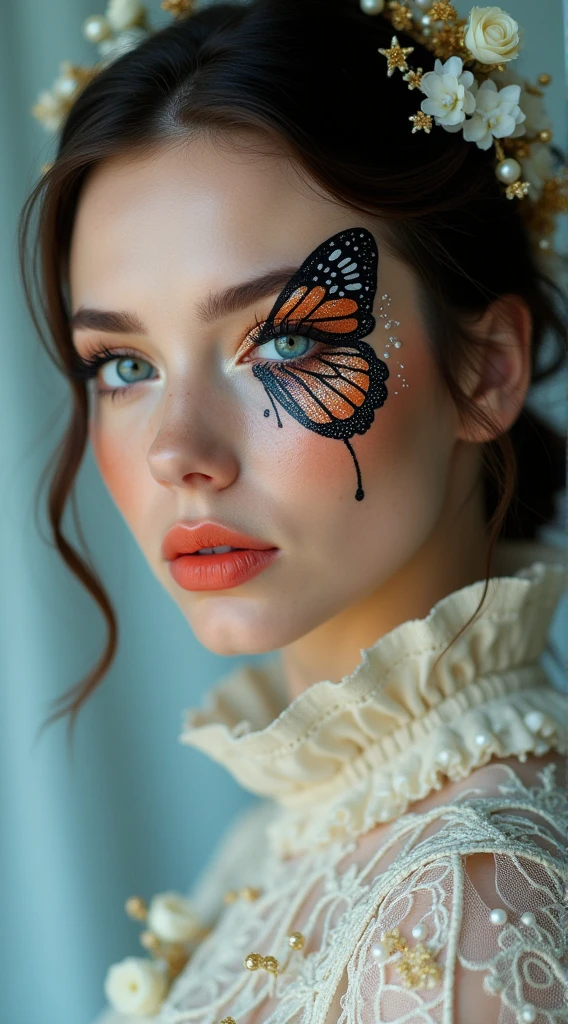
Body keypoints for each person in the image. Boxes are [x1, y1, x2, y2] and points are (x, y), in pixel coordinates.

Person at [20, 1, 567, 1021]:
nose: (179, 452)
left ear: (485, 373)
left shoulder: (465, 908)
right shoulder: (295, 827)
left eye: (280, 341)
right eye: (125, 364)